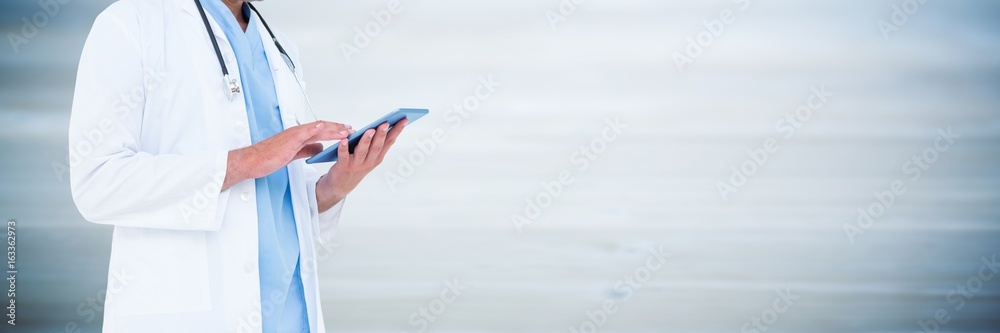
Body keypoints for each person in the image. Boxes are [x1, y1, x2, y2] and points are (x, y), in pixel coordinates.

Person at [68, 0, 404, 331]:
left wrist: (336, 185)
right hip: (189, 317)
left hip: (290, 315)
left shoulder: (278, 47)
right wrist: (246, 160)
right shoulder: (130, 24)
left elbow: (279, 200)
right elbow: (97, 183)